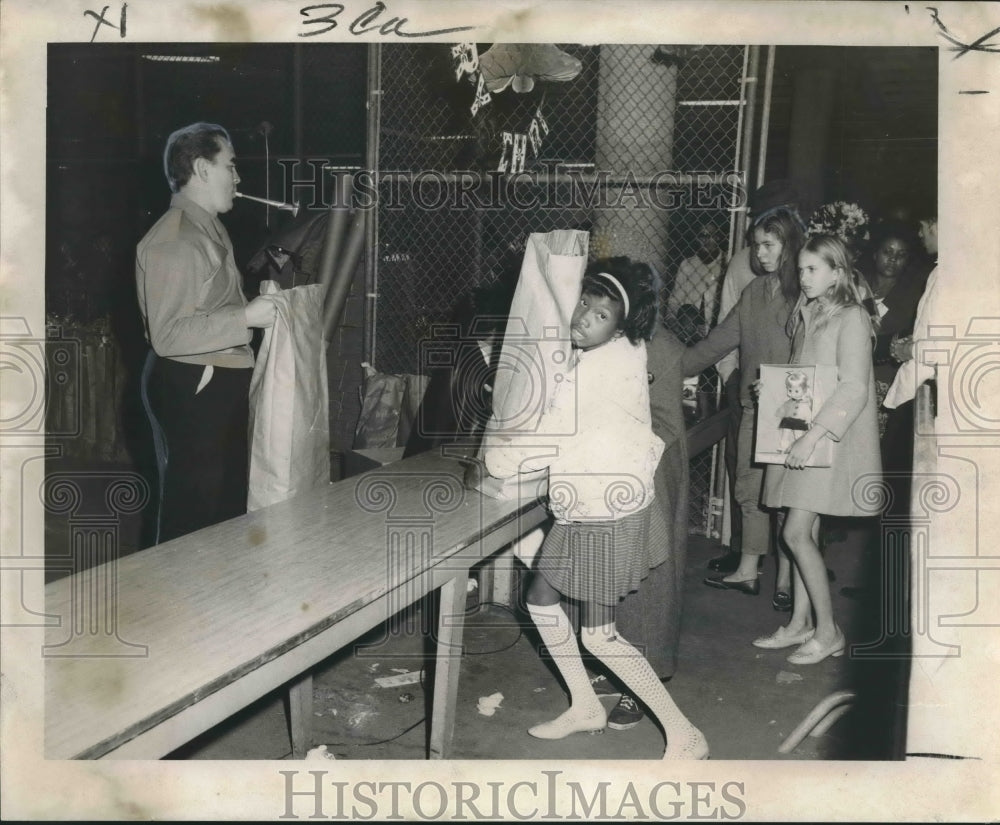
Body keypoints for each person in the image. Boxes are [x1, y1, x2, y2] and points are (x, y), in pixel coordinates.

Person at [477, 258, 708, 760]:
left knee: (600, 636)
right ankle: (585, 705)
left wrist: (497, 455)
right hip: (591, 502)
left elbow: (546, 437)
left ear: (620, 324)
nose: (583, 317)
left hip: (605, 515)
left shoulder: (600, 371)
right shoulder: (626, 347)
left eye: (599, 314)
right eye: (583, 302)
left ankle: (685, 734)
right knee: (540, 599)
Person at [136, 122, 276, 543]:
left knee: (222, 514)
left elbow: (209, 303)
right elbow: (168, 335)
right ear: (201, 168)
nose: (237, 178)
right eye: (230, 166)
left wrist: (251, 307)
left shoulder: (206, 227)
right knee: (192, 521)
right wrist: (246, 319)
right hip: (196, 382)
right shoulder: (175, 239)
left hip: (216, 381)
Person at [755, 235, 881, 664]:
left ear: (837, 273)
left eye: (813, 269)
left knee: (794, 533)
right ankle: (798, 625)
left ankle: (828, 632)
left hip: (824, 438)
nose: (803, 277)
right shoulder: (810, 312)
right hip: (803, 433)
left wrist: (811, 436)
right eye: (802, 269)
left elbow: (853, 388)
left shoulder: (852, 318)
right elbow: (806, 376)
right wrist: (772, 390)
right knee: (800, 532)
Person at [684, 207, 803, 606]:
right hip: (755, 407)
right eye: (756, 245)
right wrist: (670, 368)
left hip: (794, 411)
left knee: (789, 498)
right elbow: (718, 342)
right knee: (749, 489)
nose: (761, 253)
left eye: (769, 245)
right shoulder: (754, 293)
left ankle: (787, 579)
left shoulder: (805, 294)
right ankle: (748, 570)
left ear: (791, 244)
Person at [667, 220, 726, 324]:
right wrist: (672, 322)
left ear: (718, 238)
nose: (705, 241)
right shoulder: (687, 265)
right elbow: (674, 302)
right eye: (702, 236)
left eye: (710, 236)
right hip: (687, 330)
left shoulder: (726, 264)